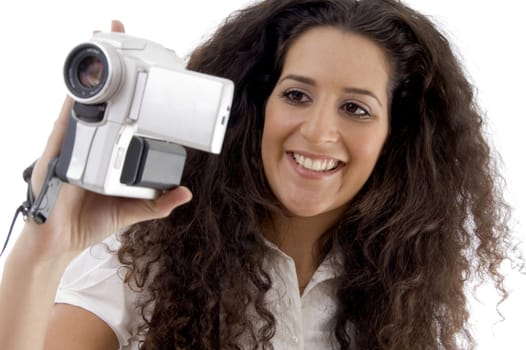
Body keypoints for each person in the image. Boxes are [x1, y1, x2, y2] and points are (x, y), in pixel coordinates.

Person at [0, 0, 518, 349]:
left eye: (356, 109)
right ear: (256, 107)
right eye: (296, 95)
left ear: (395, 135)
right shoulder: (145, 256)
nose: (317, 133)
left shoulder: (402, 283)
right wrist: (42, 250)